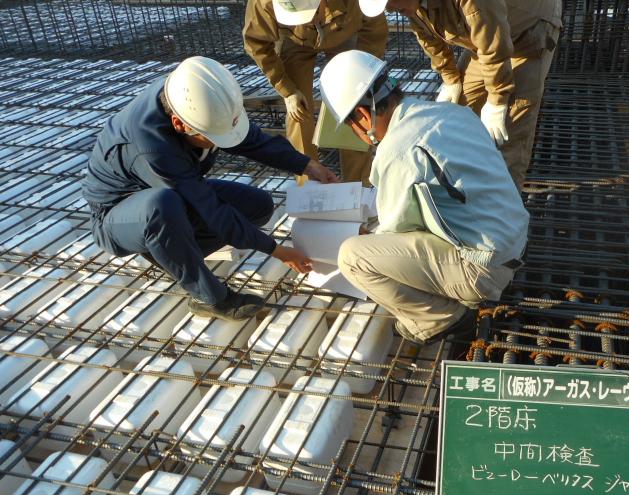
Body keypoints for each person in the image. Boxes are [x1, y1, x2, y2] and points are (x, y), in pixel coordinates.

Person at [83, 56, 338, 321]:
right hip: (117, 216)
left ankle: (171, 251)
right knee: (161, 207)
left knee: (259, 206)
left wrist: (307, 166)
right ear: (180, 125)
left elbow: (252, 141)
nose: (223, 141)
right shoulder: (153, 146)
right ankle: (211, 298)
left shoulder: (195, 98)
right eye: (214, 137)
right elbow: (210, 209)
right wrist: (277, 250)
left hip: (175, 191)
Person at [318, 50, 529, 344]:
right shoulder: (450, 112)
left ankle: (439, 319)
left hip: (484, 269)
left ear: (364, 116)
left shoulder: (398, 150)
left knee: (354, 257)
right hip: (513, 241)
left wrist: (364, 234)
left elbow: (394, 232)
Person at [359, 0, 562, 190]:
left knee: (509, 130)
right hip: (486, 36)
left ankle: (502, 212)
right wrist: (450, 78)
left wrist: (497, 99)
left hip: (528, 31)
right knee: (458, 113)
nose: (390, 9)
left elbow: (493, 43)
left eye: (390, 1)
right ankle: (468, 186)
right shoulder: (410, 4)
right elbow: (428, 36)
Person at [243, 0, 388, 185]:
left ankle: (357, 185)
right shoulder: (263, 3)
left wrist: (361, 74)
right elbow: (256, 42)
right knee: (298, 109)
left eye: (310, 15)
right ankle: (308, 182)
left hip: (343, 32)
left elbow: (375, 30)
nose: (307, 22)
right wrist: (287, 90)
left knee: (356, 102)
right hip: (295, 39)